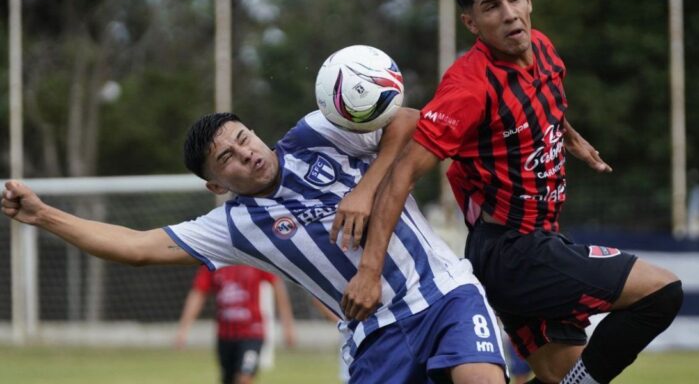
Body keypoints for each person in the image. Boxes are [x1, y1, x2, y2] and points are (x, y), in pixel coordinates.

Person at [342, 0, 683, 384]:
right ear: (471, 23)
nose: (508, 15)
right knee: (662, 292)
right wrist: (369, 271)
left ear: (529, 1)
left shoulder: (541, 49)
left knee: (564, 375)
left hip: (538, 241)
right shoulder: (468, 88)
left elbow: (543, 108)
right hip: (512, 252)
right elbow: (403, 175)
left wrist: (569, 137)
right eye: (490, 7)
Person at [2, 107, 508, 384]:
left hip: (444, 294)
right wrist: (43, 215)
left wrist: (365, 186)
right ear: (216, 186)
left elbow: (407, 120)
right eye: (228, 158)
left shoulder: (317, 133)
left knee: (479, 378)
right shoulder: (236, 226)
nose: (246, 153)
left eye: (244, 138)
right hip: (376, 336)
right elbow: (137, 246)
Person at [174, 265, 296, 384]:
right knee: (230, 379)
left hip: (252, 334)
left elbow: (277, 284)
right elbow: (199, 293)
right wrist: (183, 329)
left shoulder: (251, 259)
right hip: (225, 336)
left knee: (244, 378)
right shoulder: (213, 262)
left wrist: (288, 326)